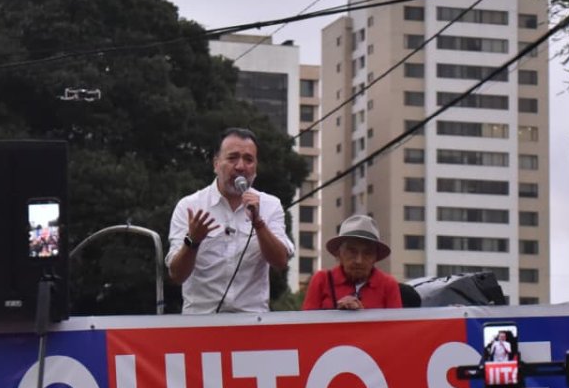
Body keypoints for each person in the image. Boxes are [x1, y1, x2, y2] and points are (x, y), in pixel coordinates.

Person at [167, 128, 294, 314]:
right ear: (216, 164)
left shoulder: (270, 205)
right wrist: (192, 241)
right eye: (232, 158)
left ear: (255, 168)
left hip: (252, 321)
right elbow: (176, 275)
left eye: (248, 160)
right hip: (201, 321)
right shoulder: (190, 206)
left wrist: (259, 223)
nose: (241, 166)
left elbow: (280, 262)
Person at [302, 215, 401, 310]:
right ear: (339, 253)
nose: (359, 261)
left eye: (367, 253)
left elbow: (396, 322)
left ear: (375, 257)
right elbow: (307, 320)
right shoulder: (322, 280)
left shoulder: (388, 284)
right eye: (352, 252)